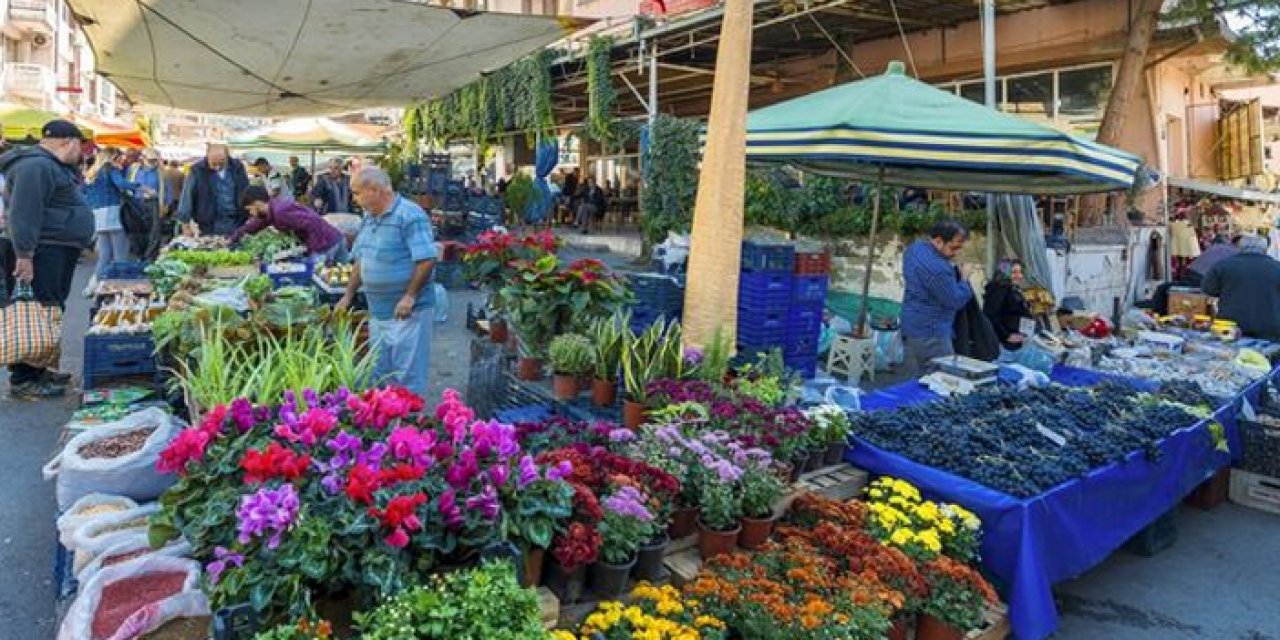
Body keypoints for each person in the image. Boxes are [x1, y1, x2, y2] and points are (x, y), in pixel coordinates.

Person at [0, 119, 92, 399]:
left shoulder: (50, 166)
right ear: (68, 142)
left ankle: (40, 369)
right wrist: (25, 255)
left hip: (54, 248)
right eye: (80, 147)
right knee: (35, 311)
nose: (82, 154)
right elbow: (24, 212)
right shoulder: (36, 166)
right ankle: (24, 378)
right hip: (42, 251)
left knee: (49, 309)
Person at [336, 167, 437, 396]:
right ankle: (385, 415)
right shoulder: (369, 218)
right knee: (380, 372)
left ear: (374, 190)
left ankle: (409, 417)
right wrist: (348, 295)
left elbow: (427, 259)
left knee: (407, 375)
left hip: (408, 312)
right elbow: (361, 259)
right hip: (378, 311)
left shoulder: (410, 215)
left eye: (357, 193)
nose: (354, 199)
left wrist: (409, 296)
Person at [900, 220, 974, 375]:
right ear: (939, 241)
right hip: (932, 332)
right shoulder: (939, 269)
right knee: (941, 377)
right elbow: (955, 300)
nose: (956, 253)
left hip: (911, 324)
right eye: (953, 248)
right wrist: (964, 279)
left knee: (921, 374)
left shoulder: (915, 248)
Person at [83, 147, 147, 290]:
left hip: (98, 215)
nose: (122, 160)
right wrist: (142, 187)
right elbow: (121, 184)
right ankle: (120, 286)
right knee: (120, 254)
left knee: (105, 255)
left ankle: (94, 287)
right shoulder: (110, 169)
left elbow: (84, 193)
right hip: (113, 213)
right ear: (112, 158)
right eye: (120, 157)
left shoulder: (93, 172)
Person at [232, 186, 347, 264]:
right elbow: (255, 225)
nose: (250, 214)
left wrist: (312, 250)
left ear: (257, 203)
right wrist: (233, 237)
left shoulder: (280, 211)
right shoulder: (271, 211)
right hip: (331, 239)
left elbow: (312, 222)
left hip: (327, 243)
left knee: (324, 280)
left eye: (249, 209)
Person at [1202, 235, 1280, 342]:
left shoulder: (1223, 265)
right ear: (1266, 249)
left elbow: (1208, 289)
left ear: (1239, 247)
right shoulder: (1277, 268)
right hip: (1269, 326)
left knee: (1230, 351)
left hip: (1230, 325)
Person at [176, 143, 250, 236]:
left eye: (221, 163)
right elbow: (187, 196)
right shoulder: (197, 170)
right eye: (213, 164)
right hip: (208, 223)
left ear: (227, 157)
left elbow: (246, 191)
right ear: (207, 157)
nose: (217, 167)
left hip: (235, 221)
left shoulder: (237, 167)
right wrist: (185, 225)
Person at [983, 259, 1033, 351]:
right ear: (1004, 273)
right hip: (1004, 344)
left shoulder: (1013, 289)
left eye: (1020, 272)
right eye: (1014, 272)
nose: (1019, 276)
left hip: (1016, 341)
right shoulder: (999, 290)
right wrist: (1006, 335)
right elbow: (990, 315)